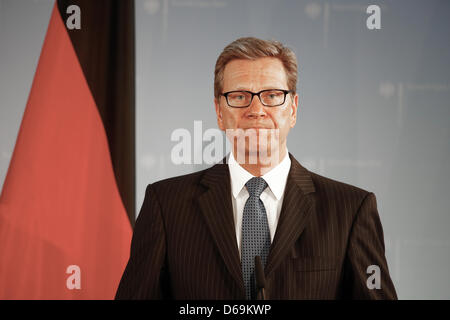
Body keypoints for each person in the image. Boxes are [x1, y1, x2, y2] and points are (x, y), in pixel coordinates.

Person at [115, 37, 397, 299]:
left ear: (293, 109)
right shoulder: (166, 204)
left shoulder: (350, 210)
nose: (256, 109)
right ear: (219, 112)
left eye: (272, 95)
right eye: (239, 96)